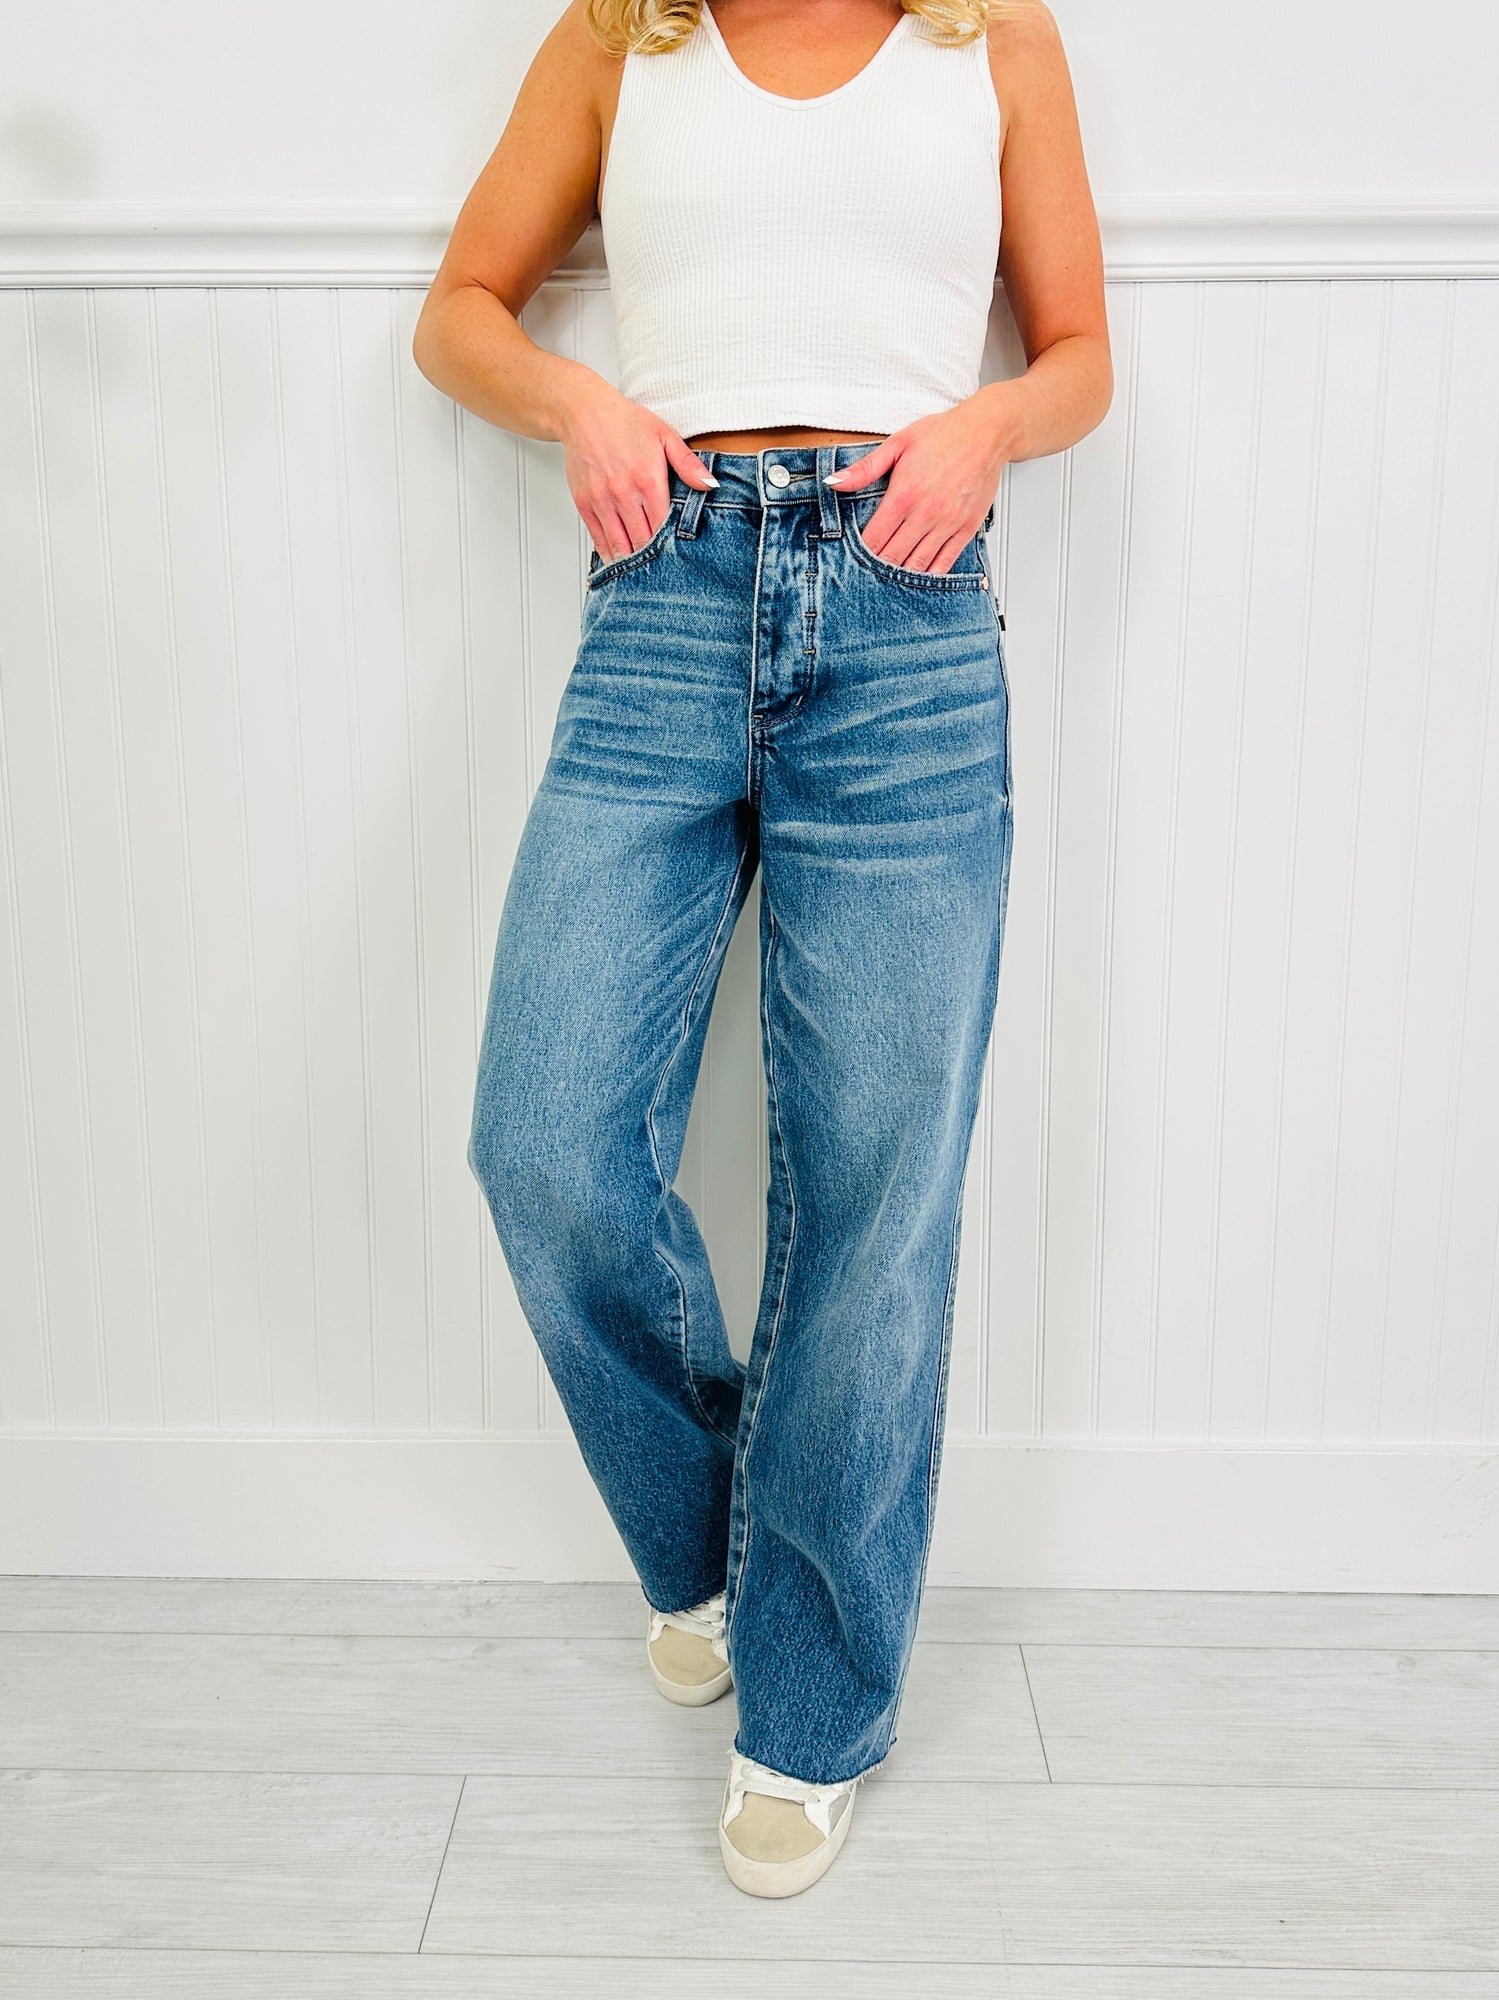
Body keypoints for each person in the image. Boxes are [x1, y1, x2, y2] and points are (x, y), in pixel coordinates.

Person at [413, 0, 1110, 1897]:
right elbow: (460, 310)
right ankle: (713, 1538)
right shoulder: (618, 37)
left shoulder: (995, 39)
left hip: (905, 600)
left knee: (879, 1189)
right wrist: (578, 403)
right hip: (665, 587)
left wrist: (987, 427)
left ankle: (808, 1709)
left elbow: (1080, 357)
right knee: (543, 1140)